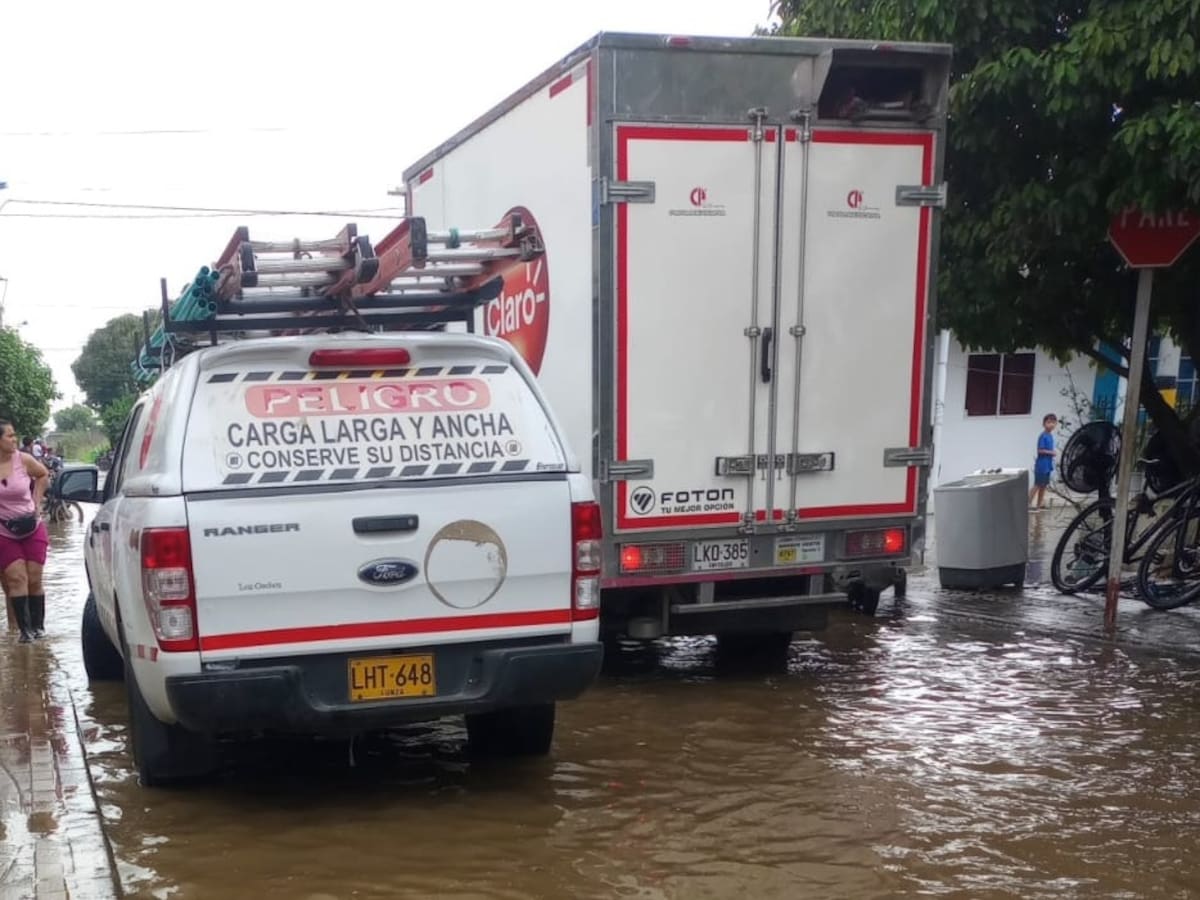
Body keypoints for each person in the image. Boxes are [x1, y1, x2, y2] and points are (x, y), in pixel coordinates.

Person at [0, 419, 51, 642]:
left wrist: (36, 502)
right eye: (9, 436)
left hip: (32, 527)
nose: (14, 439)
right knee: (15, 578)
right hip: (4, 531)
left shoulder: (24, 460)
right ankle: (24, 633)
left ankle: (39, 629)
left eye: (14, 435)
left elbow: (43, 475)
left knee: (34, 579)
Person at [1029, 413, 1058, 510]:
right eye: (1049, 422)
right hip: (1041, 465)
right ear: (1044, 424)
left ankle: (1039, 505)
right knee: (1037, 485)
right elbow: (1040, 450)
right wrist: (1051, 452)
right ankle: (1027, 504)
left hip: (1048, 465)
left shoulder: (1050, 436)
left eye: (1053, 422)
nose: (1051, 424)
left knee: (1044, 486)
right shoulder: (1043, 436)